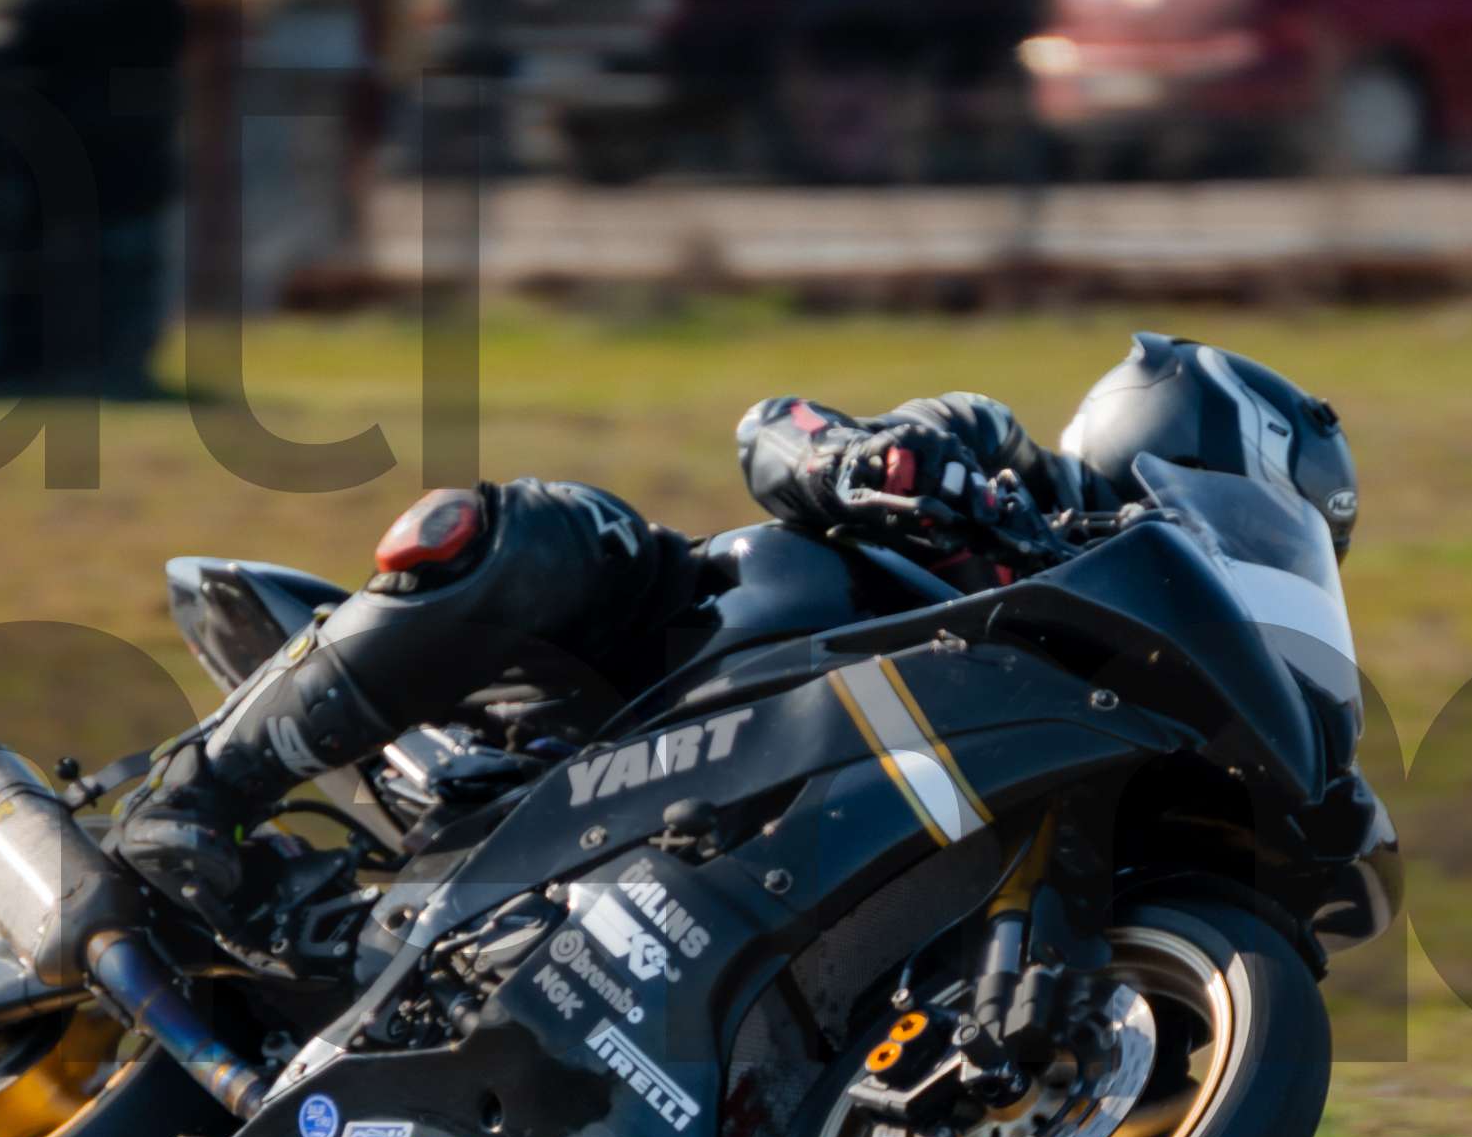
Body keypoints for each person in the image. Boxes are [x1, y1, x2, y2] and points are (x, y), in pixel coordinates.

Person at [112, 333, 1355, 906]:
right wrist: (873, 464)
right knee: (548, 529)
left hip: (827, 827)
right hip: (674, 664)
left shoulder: (1130, 682)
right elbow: (779, 430)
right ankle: (192, 794)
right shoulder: (990, 455)